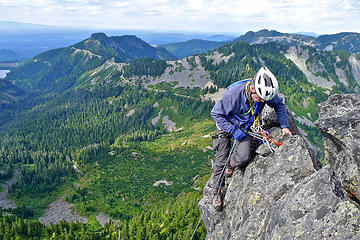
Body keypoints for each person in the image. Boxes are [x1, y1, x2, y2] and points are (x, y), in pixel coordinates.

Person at [210, 67, 292, 211]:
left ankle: (231, 163)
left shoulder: (262, 93)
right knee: (221, 159)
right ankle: (217, 192)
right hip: (225, 125)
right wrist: (232, 130)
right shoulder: (234, 94)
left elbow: (279, 104)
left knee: (244, 156)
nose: (261, 101)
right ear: (252, 87)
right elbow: (216, 114)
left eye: (264, 99)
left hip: (244, 126)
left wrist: (285, 126)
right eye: (259, 97)